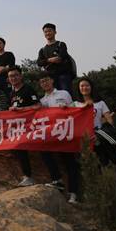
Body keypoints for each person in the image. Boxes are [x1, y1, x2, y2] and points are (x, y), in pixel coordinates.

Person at [38, 72, 79, 204]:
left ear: (52, 80)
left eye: (46, 80)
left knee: (70, 162)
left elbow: (75, 108)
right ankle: (57, 180)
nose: (45, 83)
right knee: (44, 152)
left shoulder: (64, 94)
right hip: (51, 135)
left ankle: (74, 193)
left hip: (65, 133)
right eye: (42, 82)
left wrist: (67, 107)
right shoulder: (42, 101)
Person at [7, 65, 41, 187]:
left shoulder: (28, 89)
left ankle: (29, 176)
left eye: (15, 75)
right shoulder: (11, 93)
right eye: (11, 76)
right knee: (18, 149)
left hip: (31, 126)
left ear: (21, 76)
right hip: (18, 127)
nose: (13, 78)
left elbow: (38, 105)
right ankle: (26, 175)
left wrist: (22, 109)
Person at [37, 23, 74, 93]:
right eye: (45, 32)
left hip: (63, 75)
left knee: (66, 94)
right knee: (53, 96)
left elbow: (62, 56)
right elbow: (39, 62)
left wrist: (46, 61)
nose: (47, 33)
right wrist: (50, 60)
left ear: (55, 32)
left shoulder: (61, 44)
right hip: (50, 78)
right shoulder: (42, 50)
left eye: (49, 31)